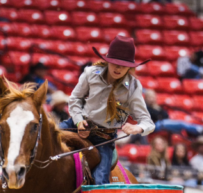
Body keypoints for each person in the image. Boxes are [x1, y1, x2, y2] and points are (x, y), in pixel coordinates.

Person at [59, 35, 155, 185]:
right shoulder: (90, 73)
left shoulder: (134, 87)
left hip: (104, 139)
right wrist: (78, 122)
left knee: (99, 181)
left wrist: (137, 128)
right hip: (77, 124)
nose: (118, 68)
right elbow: (75, 99)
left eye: (123, 65)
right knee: (45, 140)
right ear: (107, 61)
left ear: (130, 67)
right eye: (115, 63)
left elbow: (148, 122)